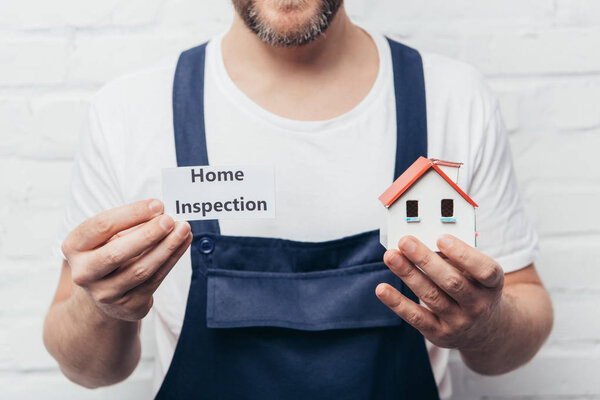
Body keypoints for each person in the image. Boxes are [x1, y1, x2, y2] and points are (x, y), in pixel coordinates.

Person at [43, 1, 554, 399]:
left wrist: (485, 325)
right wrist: (102, 307)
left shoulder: (453, 98)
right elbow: (89, 370)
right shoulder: (128, 113)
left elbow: (518, 325)